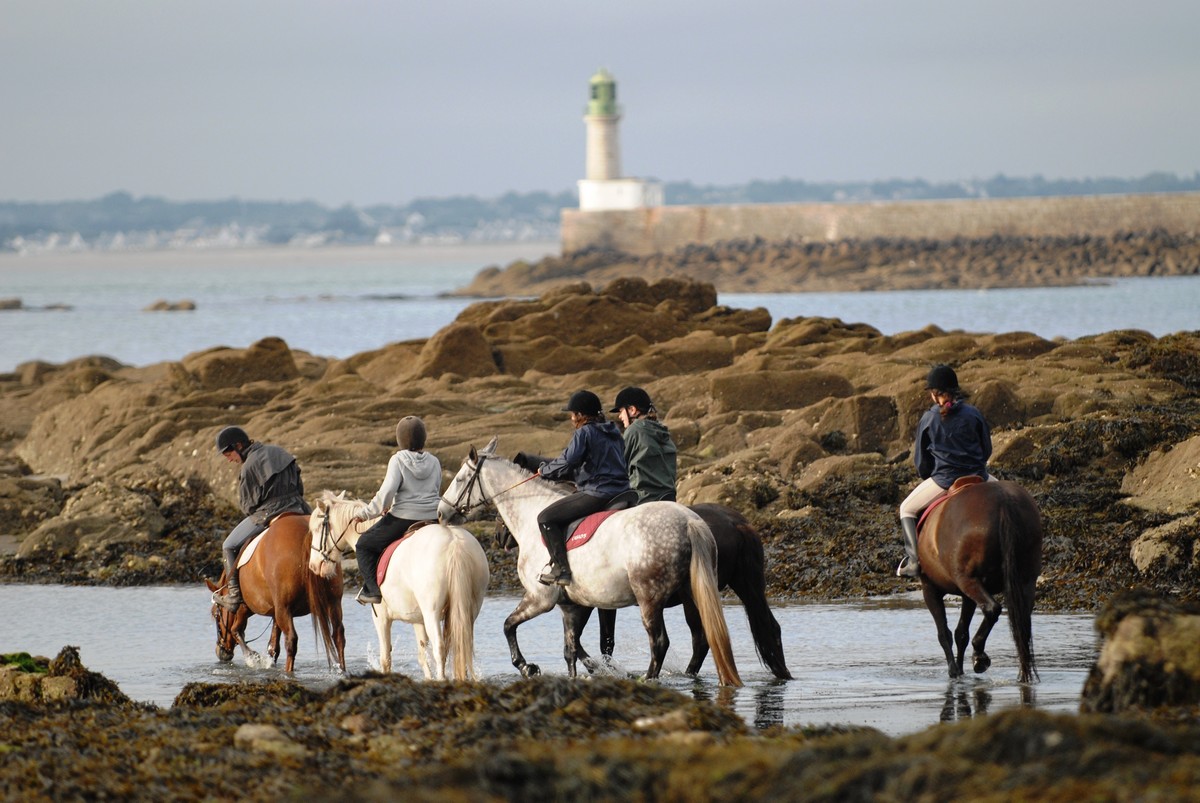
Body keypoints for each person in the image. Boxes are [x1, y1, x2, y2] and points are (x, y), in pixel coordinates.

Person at [897, 365, 994, 578]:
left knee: (906, 509)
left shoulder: (928, 419)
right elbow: (987, 449)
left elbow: (921, 462)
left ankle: (913, 562)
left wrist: (930, 476)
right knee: (1010, 499)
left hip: (945, 479)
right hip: (980, 476)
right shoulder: (974, 413)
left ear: (934, 394)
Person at [535, 390, 631, 586]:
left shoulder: (584, 432)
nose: (571, 418)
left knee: (545, 518)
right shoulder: (614, 432)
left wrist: (545, 471)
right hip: (623, 491)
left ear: (581, 415)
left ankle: (561, 570)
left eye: (573, 414)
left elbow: (568, 460)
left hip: (598, 492)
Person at [214, 426, 310, 609]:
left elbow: (248, 505)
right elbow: (300, 485)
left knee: (228, 545)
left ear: (239, 445)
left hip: (268, 512)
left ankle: (234, 595)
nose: (229, 459)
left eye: (228, 453)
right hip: (300, 507)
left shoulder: (249, 466)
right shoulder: (280, 451)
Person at [351, 416, 442, 605]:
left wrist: (364, 514)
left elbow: (387, 492)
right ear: (423, 438)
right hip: (433, 517)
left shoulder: (398, 459)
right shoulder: (434, 461)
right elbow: (435, 490)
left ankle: (372, 590)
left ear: (400, 439)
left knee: (364, 545)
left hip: (403, 517)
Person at [609, 386, 677, 503]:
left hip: (643, 498)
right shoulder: (662, 430)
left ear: (632, 410)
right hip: (669, 496)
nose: (620, 417)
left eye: (621, 412)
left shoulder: (634, 430)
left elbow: (618, 465)